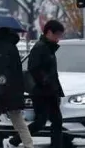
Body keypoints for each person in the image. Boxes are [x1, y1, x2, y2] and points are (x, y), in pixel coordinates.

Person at [26, 20, 66, 148]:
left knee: (57, 121)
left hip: (51, 91)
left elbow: (51, 71)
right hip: (42, 92)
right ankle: (14, 140)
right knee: (40, 122)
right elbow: (33, 68)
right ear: (49, 32)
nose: (59, 38)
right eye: (57, 35)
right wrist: (45, 81)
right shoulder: (40, 48)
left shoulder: (49, 48)